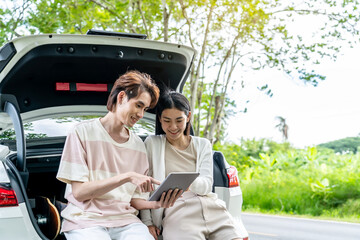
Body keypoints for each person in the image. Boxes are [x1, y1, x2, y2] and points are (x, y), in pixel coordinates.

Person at [56, 71, 181, 240]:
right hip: (85, 220)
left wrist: (156, 203)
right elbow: (79, 192)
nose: (141, 115)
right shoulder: (81, 132)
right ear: (121, 97)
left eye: (145, 109)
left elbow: (135, 200)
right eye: (138, 105)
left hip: (126, 222)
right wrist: (127, 177)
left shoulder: (138, 145)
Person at [141, 90, 245, 240]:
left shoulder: (203, 145)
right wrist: (147, 223)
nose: (173, 127)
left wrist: (186, 182)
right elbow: (145, 187)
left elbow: (206, 186)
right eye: (167, 120)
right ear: (160, 119)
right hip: (177, 211)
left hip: (212, 208)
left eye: (179, 120)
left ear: (188, 117)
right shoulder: (152, 143)